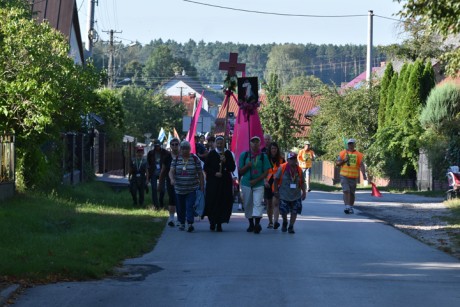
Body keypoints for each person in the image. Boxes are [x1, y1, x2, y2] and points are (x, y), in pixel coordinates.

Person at [169, 140, 204, 232]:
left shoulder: (195, 159)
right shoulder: (176, 159)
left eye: (186, 148)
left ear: (189, 149)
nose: (184, 150)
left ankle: (190, 223)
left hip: (191, 188)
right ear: (180, 149)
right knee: (180, 207)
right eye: (183, 148)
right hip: (179, 188)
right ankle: (181, 223)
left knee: (189, 206)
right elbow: (171, 171)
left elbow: (200, 173)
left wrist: (202, 185)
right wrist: (172, 179)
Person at [203, 136, 236, 232]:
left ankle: (219, 223)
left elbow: (232, 168)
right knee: (212, 202)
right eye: (218, 143)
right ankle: (212, 221)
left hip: (224, 183)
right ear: (215, 144)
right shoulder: (211, 154)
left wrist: (226, 161)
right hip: (213, 183)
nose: (219, 145)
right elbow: (206, 167)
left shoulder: (227, 154)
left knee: (222, 202)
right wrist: (214, 173)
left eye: (221, 143)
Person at [239, 136, 271, 234]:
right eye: (253, 142)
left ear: (260, 144)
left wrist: (257, 180)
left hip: (259, 184)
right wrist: (247, 166)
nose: (255, 144)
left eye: (257, 142)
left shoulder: (263, 156)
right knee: (248, 204)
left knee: (257, 203)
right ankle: (251, 223)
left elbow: (266, 171)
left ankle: (257, 223)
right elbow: (240, 171)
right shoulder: (244, 155)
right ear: (250, 144)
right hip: (246, 184)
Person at [273, 152, 306, 234]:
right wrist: (276, 191)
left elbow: (302, 182)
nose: (293, 160)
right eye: (291, 159)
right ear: (287, 160)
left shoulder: (299, 170)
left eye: (294, 159)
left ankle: (291, 226)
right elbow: (276, 180)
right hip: (284, 195)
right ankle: (285, 221)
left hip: (296, 195)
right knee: (283, 211)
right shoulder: (282, 168)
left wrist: (304, 192)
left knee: (294, 211)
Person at [336, 138, 367, 214]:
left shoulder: (358, 154)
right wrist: (344, 160)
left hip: (353, 177)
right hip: (344, 175)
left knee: (352, 193)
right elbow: (337, 163)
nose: (350, 145)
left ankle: (351, 206)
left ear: (354, 144)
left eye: (352, 143)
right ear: (347, 145)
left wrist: (363, 174)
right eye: (349, 143)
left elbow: (361, 165)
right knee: (346, 191)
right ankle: (347, 207)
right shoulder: (343, 153)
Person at [159, 137, 180, 227]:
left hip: (182, 181)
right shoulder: (166, 157)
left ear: (179, 145)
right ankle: (171, 218)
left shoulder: (183, 156)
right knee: (172, 198)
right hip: (170, 181)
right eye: (173, 145)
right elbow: (163, 171)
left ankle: (180, 218)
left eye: (176, 144)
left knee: (180, 199)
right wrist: (160, 184)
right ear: (170, 146)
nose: (174, 146)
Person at [264, 142, 285, 229]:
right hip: (268, 182)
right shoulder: (265, 159)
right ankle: (270, 222)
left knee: (276, 203)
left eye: (275, 149)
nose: (274, 150)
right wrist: (264, 181)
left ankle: (276, 222)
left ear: (277, 150)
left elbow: (284, 172)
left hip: (277, 183)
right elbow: (262, 171)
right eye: (272, 148)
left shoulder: (281, 160)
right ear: (270, 149)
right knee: (269, 204)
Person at [147, 139, 169, 210]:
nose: (157, 147)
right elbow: (148, 163)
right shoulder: (150, 153)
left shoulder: (165, 153)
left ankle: (161, 201)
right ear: (154, 146)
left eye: (158, 146)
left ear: (160, 145)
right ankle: (156, 205)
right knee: (154, 188)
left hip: (162, 173)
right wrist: (148, 174)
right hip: (153, 172)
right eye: (156, 146)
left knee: (162, 189)